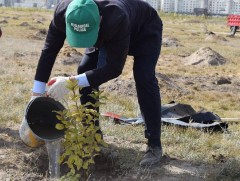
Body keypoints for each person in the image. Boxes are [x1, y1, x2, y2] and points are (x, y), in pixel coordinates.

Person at [32, 0, 163, 167]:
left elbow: (114, 68)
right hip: (106, 33)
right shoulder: (63, 14)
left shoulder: (117, 17)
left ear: (99, 19)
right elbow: (49, 51)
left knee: (144, 78)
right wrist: (36, 94)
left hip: (144, 31)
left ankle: (154, 145)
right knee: (85, 69)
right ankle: (92, 135)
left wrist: (70, 82)